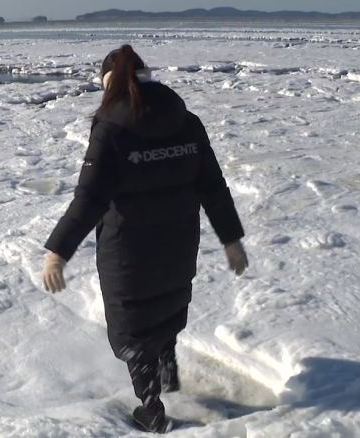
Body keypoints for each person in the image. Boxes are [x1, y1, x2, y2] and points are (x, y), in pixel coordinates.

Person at [41, 45, 248, 433]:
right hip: (179, 244)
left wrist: (57, 251)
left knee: (132, 329)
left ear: (108, 82)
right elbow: (213, 187)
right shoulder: (187, 121)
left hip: (128, 251)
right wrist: (231, 239)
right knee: (167, 309)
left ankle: (153, 411)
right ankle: (169, 376)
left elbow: (89, 198)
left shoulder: (111, 129)